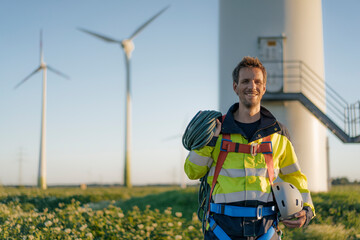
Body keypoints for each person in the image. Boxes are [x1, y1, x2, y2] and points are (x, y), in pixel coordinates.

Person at [184, 56, 315, 239]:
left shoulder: (279, 133)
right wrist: (210, 141)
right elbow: (192, 172)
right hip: (221, 229)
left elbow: (294, 176)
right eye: (245, 81)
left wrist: (307, 208)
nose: (252, 86)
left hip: (266, 229)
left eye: (257, 82)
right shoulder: (215, 130)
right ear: (235, 87)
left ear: (263, 88)